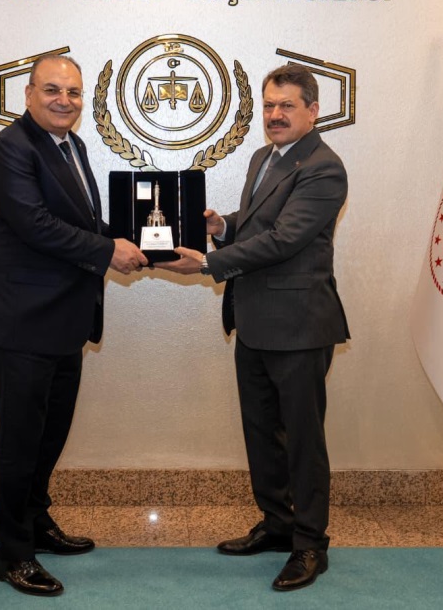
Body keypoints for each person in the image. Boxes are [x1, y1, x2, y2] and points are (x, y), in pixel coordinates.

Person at [157, 64, 349, 592]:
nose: (275, 115)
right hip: (255, 320)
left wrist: (208, 262)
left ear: (313, 111)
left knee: (303, 440)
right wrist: (224, 225)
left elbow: (286, 238)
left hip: (300, 326)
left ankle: (310, 544)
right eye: (268, 105)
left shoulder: (325, 168)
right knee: (262, 433)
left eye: (287, 105)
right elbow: (260, 224)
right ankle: (277, 524)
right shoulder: (264, 157)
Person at [0, 54, 148, 597]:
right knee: (18, 445)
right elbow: (36, 226)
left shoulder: (73, 146)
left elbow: (83, 222)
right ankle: (12, 554)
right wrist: (107, 251)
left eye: (72, 92)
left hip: (64, 322)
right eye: (51, 90)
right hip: (19, 326)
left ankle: (35, 523)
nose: (63, 100)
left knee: (47, 438)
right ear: (28, 94)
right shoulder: (10, 148)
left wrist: (147, 236)